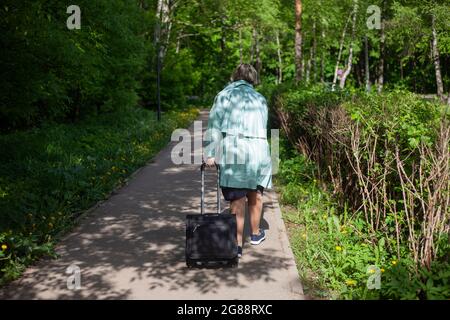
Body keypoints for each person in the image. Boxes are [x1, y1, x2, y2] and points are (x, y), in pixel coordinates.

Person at [204, 63, 272, 258]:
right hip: (259, 150)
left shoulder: (225, 95)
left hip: (235, 149)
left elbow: (214, 124)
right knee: (255, 192)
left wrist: (210, 152)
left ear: (235, 76)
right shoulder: (260, 98)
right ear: (253, 79)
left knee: (237, 197)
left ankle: (236, 244)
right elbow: (264, 125)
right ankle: (257, 233)